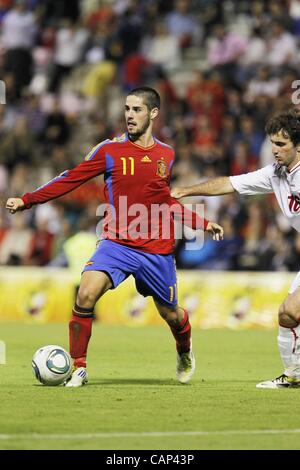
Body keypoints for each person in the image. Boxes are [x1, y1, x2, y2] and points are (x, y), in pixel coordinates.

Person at [6, 86, 223, 387]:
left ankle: (184, 351)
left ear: (154, 113)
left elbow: (163, 200)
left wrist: (200, 222)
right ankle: (78, 366)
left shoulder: (166, 155)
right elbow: (70, 178)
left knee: (172, 315)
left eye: (137, 110)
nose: (129, 116)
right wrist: (28, 200)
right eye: (126, 109)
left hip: (156, 249)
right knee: (85, 293)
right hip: (117, 242)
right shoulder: (109, 151)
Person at [171, 107, 300, 389]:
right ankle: (293, 376)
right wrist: (186, 191)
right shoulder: (276, 173)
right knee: (289, 314)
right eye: (272, 144)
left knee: (291, 309)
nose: (274, 150)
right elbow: (229, 184)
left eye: (281, 144)